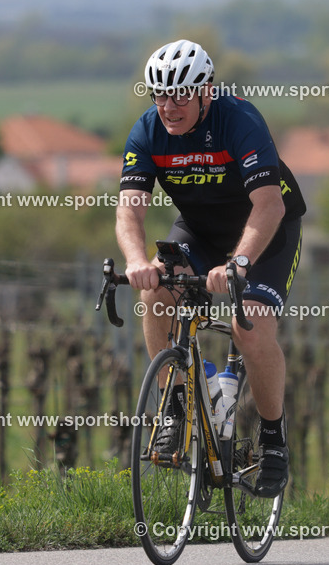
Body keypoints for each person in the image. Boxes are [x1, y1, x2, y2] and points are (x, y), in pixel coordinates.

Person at [116, 39, 306, 497]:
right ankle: (175, 405)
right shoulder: (147, 131)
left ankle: (274, 440)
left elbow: (268, 205)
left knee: (252, 329)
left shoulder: (239, 120)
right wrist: (137, 262)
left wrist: (239, 263)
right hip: (200, 231)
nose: (169, 106)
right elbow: (130, 211)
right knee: (156, 293)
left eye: (180, 95)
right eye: (160, 94)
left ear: (207, 91)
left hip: (266, 231)